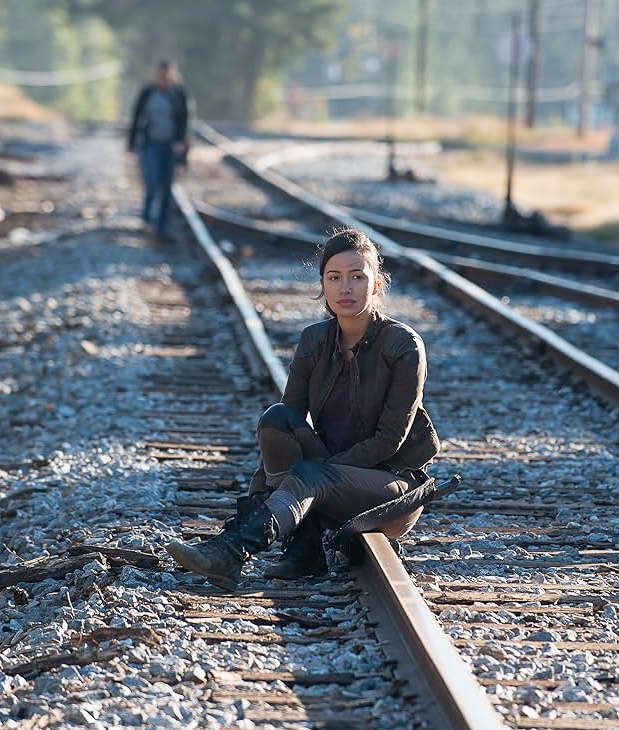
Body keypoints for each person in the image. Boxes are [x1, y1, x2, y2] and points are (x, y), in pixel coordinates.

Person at [166, 228, 440, 589]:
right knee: (276, 419)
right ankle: (305, 549)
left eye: (358, 277)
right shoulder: (314, 340)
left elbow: (389, 440)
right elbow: (288, 421)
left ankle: (230, 552)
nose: (346, 288)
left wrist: (317, 471)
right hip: (322, 478)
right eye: (335, 277)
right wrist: (262, 488)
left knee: (311, 475)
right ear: (323, 285)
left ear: (376, 285)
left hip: (387, 486)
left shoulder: (403, 346)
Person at [127, 61, 190, 238]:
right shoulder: (148, 92)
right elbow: (136, 117)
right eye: (160, 75)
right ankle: (147, 219)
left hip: (171, 145)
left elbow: (185, 121)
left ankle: (162, 225)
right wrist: (131, 143)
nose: (162, 79)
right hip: (150, 144)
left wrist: (183, 149)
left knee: (167, 185)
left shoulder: (178, 94)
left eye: (166, 75)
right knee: (152, 181)